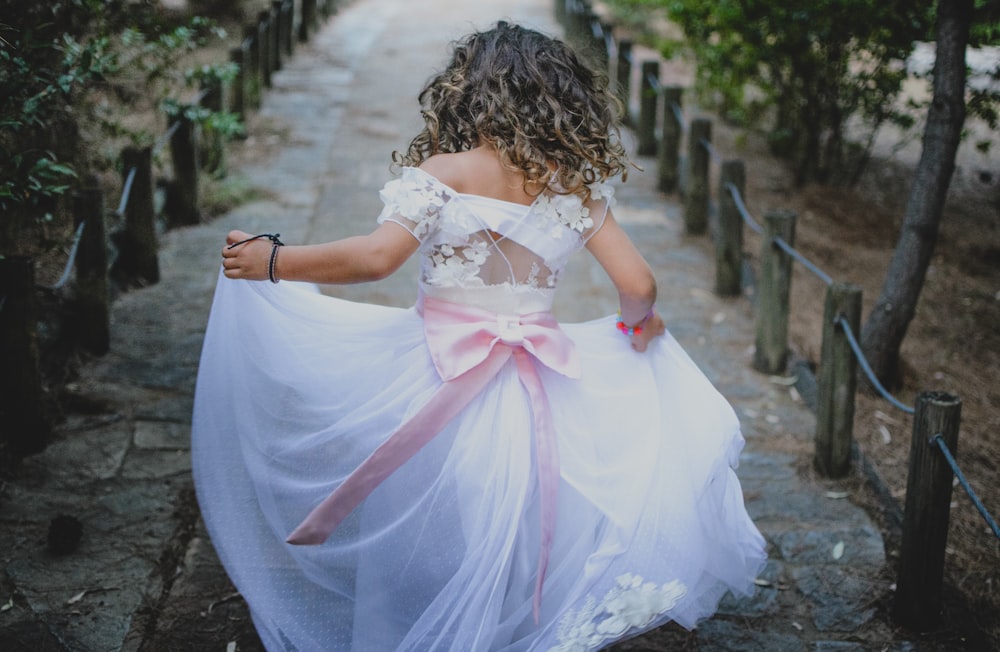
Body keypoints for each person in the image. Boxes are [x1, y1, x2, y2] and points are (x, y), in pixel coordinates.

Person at [193, 21, 766, 651]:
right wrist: (636, 325)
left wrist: (274, 260)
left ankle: (435, 615)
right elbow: (638, 281)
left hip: (433, 369)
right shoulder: (571, 185)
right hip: (539, 384)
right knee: (522, 505)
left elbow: (375, 259)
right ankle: (511, 620)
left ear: (473, 92)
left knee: (433, 503)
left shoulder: (445, 170)